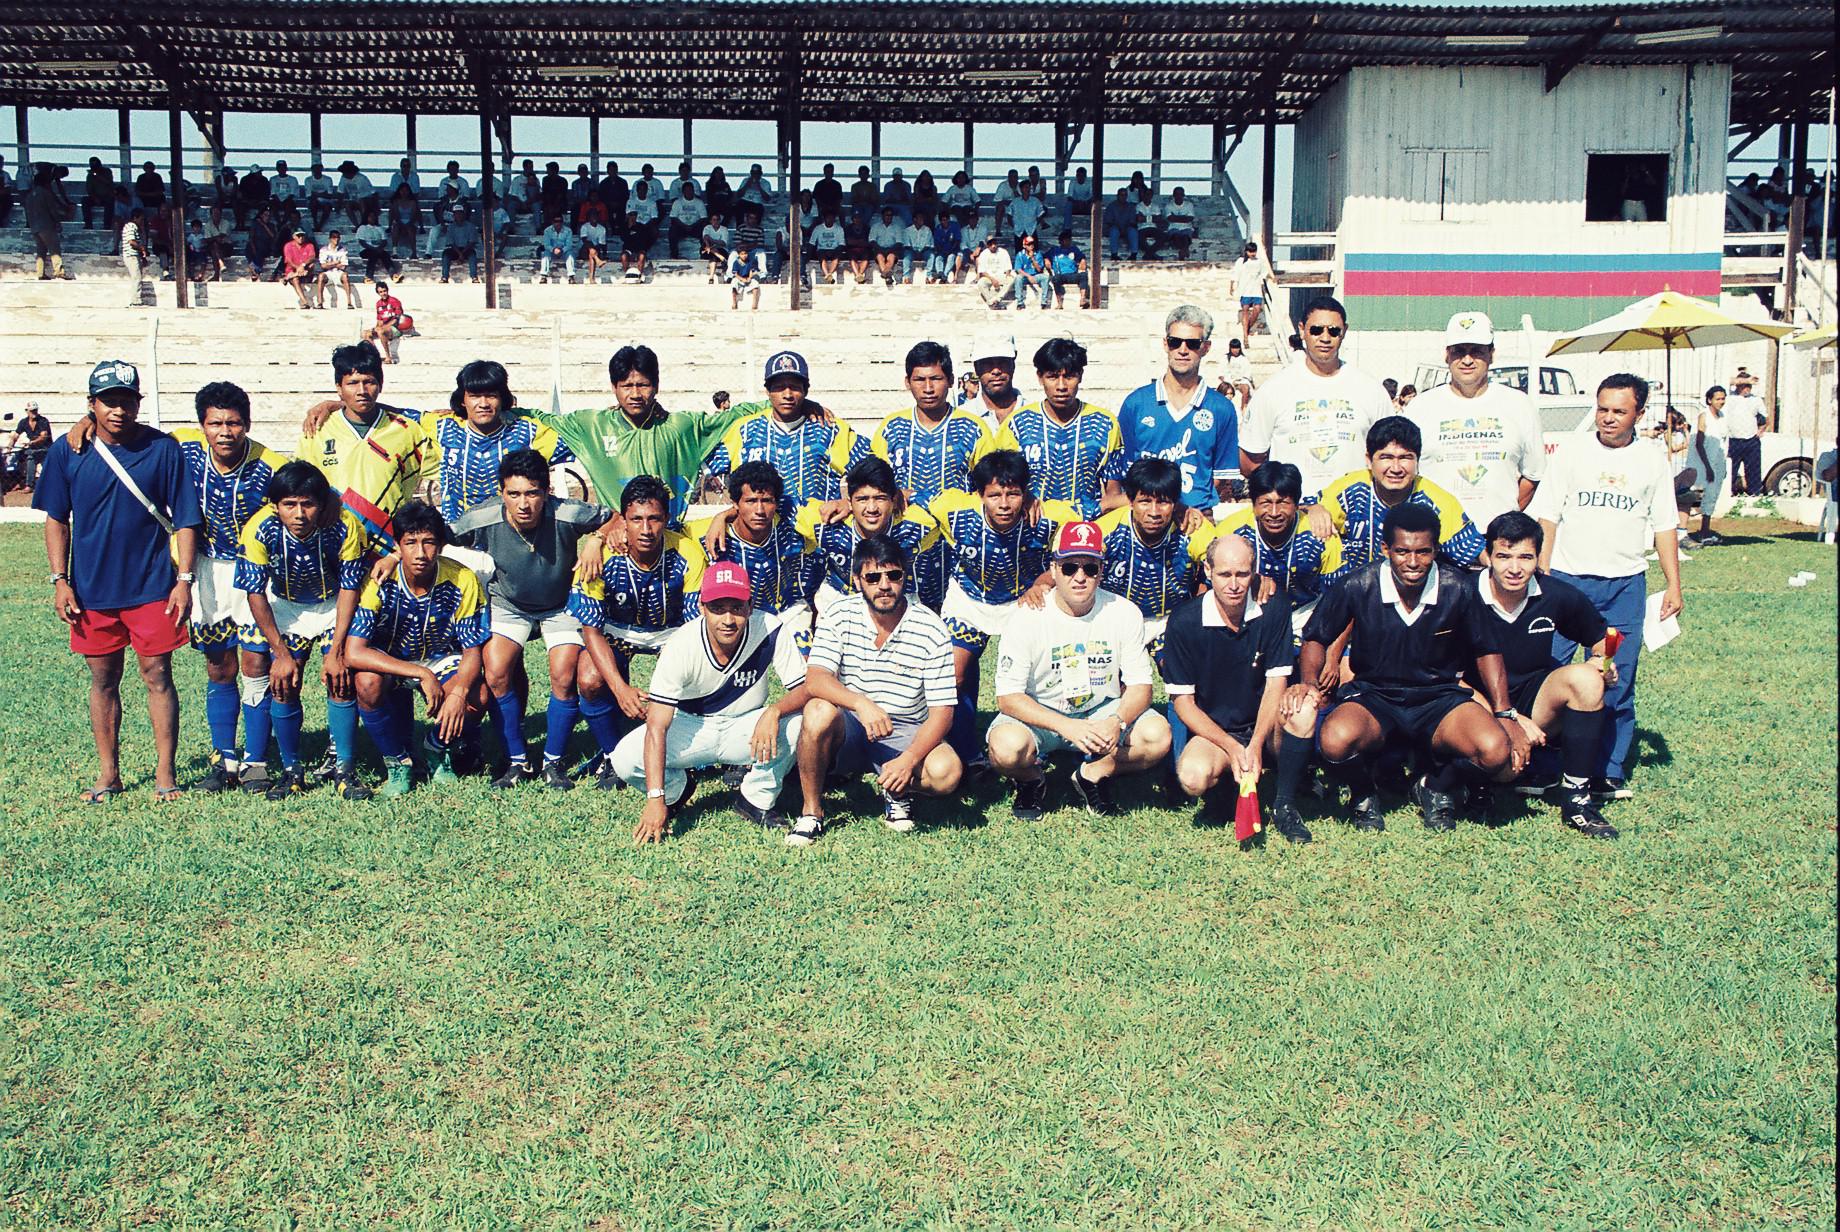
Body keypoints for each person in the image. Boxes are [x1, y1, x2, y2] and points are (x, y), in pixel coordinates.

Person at [1289, 503, 1525, 832]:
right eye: (1402, 551)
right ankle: (1363, 794)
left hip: (1438, 697)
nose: (1412, 562)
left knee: (1495, 750)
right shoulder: (1358, 584)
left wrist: (1504, 713)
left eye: (1423, 552)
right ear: (1386, 549)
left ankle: (1435, 786)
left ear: (1435, 550)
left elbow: (1487, 648)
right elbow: (1315, 637)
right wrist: (1310, 685)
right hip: (1374, 695)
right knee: (1334, 740)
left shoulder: (1457, 588)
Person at [36, 360, 204, 803]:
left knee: (157, 674)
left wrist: (183, 579)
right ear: (92, 404)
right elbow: (57, 519)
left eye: (127, 400)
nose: (118, 410)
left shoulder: (164, 449)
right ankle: (109, 773)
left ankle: (165, 773)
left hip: (152, 586)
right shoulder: (67, 450)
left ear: (138, 403)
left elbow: (186, 519)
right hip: (91, 591)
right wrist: (60, 579)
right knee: (103, 678)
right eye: (108, 401)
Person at [1530, 373, 1682, 799]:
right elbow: (1548, 516)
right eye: (1602, 409)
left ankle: (1607, 768)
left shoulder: (1652, 458)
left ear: (1639, 413)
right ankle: (1542, 762)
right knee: (1551, 674)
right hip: (1568, 585)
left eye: (1619, 411)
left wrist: (1674, 584)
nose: (1609, 418)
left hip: (1621, 590)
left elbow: (1665, 524)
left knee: (1613, 675)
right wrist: (1544, 576)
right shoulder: (1571, 453)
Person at [447, 449, 610, 789]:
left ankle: (553, 762)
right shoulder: (483, 518)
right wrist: (391, 558)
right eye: (514, 494)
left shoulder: (567, 512)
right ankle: (517, 761)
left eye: (532, 493)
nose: (523, 504)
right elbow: (435, 537)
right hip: (509, 603)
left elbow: (617, 517)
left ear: (547, 491)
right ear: (501, 492)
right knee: (495, 672)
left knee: (563, 676)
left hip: (560, 604)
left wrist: (596, 540)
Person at [986, 520, 1171, 818]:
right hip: (1043, 711)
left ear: (1101, 571)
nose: (1080, 577)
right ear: (1054, 569)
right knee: (1006, 749)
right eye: (1070, 567)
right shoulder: (1025, 617)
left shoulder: (1123, 612)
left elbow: (1141, 686)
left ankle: (1093, 773)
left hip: (1101, 710)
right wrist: (1066, 726)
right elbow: (1008, 697)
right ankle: (1031, 779)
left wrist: (1117, 721)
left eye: (1091, 567)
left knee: (1158, 736)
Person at [615, 562, 810, 839]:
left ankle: (755, 799)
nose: (728, 619)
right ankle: (675, 792)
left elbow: (806, 687)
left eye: (737, 607)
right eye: (718, 608)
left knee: (803, 722)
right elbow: (657, 726)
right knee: (624, 758)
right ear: (701, 607)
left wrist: (775, 711)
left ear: (750, 605)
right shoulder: (681, 644)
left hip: (745, 726)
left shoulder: (769, 627)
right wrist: (655, 798)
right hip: (691, 727)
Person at [790, 535, 962, 845]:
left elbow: (942, 714)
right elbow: (815, 679)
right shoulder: (839, 614)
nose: (884, 585)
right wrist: (860, 703)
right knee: (817, 710)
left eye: (893, 575)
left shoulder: (931, 628)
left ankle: (897, 789)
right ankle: (811, 812)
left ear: (904, 578)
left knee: (947, 772)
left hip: (905, 728)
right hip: (853, 724)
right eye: (873, 577)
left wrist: (909, 759)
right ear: (858, 581)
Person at [166, 383, 288, 793]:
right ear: (201, 425)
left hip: (255, 572)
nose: (224, 431)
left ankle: (255, 760)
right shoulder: (183, 448)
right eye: (215, 422)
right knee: (219, 666)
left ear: (247, 425)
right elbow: (131, 439)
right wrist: (85, 422)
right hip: (205, 569)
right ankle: (225, 759)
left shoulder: (270, 465)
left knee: (256, 664)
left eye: (233, 423)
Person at [1467, 512, 1618, 837]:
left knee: (1586, 681)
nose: (1514, 568)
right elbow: (1444, 676)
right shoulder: (1462, 594)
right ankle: (1469, 782)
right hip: (1471, 705)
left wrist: (1603, 666)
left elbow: (1607, 638)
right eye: (1503, 556)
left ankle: (1577, 796)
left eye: (1526, 557)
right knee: (1504, 766)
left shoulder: (1554, 594)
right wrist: (1511, 718)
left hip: (1533, 700)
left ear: (1538, 557)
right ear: (1488, 555)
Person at [234, 461, 373, 800]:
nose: (299, 514)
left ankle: (345, 768)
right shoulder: (258, 529)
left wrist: (338, 650)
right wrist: (280, 654)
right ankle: (291, 769)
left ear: (322, 504)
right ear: (275, 505)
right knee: (282, 684)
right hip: (285, 607)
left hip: (331, 608)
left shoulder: (345, 525)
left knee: (341, 682)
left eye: (307, 504)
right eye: (289, 504)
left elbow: (349, 588)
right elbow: (255, 593)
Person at [928, 450, 1079, 761]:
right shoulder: (953, 510)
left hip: (1023, 598)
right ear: (979, 495)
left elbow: (1073, 551)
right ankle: (961, 750)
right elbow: (912, 502)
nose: (1005, 503)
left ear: (1026, 492)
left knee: (1037, 673)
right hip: (969, 598)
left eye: (1013, 493)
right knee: (954, 674)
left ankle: (1040, 743)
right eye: (995, 495)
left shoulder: (1050, 516)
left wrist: (1043, 582)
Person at [1165, 535, 1315, 842]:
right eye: (1224, 574)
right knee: (1192, 778)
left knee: (1304, 710)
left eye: (1242, 574)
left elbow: (1276, 683)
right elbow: (1183, 703)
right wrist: (1234, 748)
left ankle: (1284, 803)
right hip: (1218, 731)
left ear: (1255, 571)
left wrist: (1256, 743)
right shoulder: (1184, 620)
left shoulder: (1274, 608)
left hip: (1265, 722)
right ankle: (1225, 790)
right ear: (1207, 570)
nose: (1234, 584)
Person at [571, 475, 708, 788]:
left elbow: (693, 629)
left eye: (654, 519)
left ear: (666, 519)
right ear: (623, 521)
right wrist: (620, 689)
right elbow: (591, 630)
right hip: (617, 630)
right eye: (636, 520)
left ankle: (691, 751)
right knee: (590, 679)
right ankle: (611, 755)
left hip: (671, 632)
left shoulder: (686, 552)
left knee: (696, 675)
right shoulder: (602, 555)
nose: (646, 530)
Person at [345, 500, 489, 796]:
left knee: (479, 694)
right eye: (410, 543)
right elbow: (354, 652)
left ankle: (436, 747)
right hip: (392, 660)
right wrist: (420, 674)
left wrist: (459, 693)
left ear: (441, 545)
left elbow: (473, 651)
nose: (420, 553)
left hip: (442, 658)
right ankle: (398, 763)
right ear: (397, 545)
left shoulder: (462, 579)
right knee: (366, 682)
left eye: (429, 542)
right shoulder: (380, 580)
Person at [525, 345, 749, 524]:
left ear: (657, 386)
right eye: (626, 386)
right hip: (616, 542)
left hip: (669, 542)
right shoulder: (591, 427)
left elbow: (734, 417)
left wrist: (778, 399)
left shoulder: (682, 426)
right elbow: (537, 420)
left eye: (643, 385)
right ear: (614, 387)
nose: (635, 394)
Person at [1404, 312, 1546, 530]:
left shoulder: (1519, 405)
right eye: (1459, 351)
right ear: (1447, 355)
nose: (1467, 360)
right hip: (1437, 539)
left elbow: (1532, 475)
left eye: (1477, 351)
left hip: (1497, 541)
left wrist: (1501, 521)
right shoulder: (1420, 408)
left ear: (1491, 354)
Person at [1240, 295, 1393, 496]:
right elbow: (1250, 461)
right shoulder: (1273, 390)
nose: (1325, 338)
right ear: (1302, 330)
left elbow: (1390, 454)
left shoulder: (1371, 391)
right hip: (1295, 517)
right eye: (1316, 330)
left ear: (1344, 331)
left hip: (1355, 513)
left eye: (1334, 331)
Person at [296, 343, 438, 549]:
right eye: (352, 383)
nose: (362, 391)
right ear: (338, 387)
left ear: (380, 384)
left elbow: (441, 474)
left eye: (369, 382)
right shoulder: (318, 430)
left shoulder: (407, 430)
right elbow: (299, 484)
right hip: (333, 542)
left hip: (389, 546)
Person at [1313, 416, 1483, 583]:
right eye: (1386, 457)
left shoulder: (1437, 501)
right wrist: (1314, 509)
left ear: (1417, 460)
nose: (1395, 468)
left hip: (1415, 594)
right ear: (1369, 460)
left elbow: (1473, 552)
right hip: (1355, 594)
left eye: (1405, 458)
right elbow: (1300, 510)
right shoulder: (1348, 491)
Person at [1118, 305, 1242, 519]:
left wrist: (1188, 507)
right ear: (1166, 344)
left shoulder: (1222, 409)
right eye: (1176, 342)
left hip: (1196, 517)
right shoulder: (1136, 404)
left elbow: (1220, 476)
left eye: (1192, 344)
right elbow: (1127, 471)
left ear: (1206, 347)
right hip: (1146, 519)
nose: (1182, 350)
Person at [704, 351, 866, 510]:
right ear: (768, 391)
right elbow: (700, 460)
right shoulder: (744, 430)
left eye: (795, 387)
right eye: (779, 387)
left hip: (818, 534)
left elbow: (878, 472)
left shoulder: (831, 430)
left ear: (806, 391)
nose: (787, 394)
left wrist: (850, 504)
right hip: (759, 535)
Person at [991, 337, 1125, 520]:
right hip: (1030, 530)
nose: (1061, 386)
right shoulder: (1018, 424)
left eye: (1069, 376)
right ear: (1040, 377)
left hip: (1083, 531)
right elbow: (998, 483)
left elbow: (1113, 492)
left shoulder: (1105, 424)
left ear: (1081, 376)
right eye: (1052, 377)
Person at [796, 455, 947, 613]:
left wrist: (908, 494)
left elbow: (951, 505)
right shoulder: (827, 522)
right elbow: (781, 503)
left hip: (894, 605)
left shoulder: (915, 525)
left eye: (880, 498)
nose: (872, 508)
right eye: (862, 499)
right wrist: (844, 503)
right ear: (849, 501)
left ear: (894, 500)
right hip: (839, 602)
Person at [688, 462, 817, 630]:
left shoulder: (793, 526)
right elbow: (665, 533)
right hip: (735, 619)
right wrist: (722, 517)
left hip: (788, 613)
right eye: (750, 501)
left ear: (777, 503)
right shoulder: (706, 534)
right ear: (735, 503)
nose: (760, 510)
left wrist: (846, 504)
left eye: (767, 501)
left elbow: (833, 514)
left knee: (804, 655)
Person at [870, 341, 993, 506]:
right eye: (919, 379)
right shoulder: (892, 428)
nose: (928, 388)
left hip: (956, 528)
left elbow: (992, 486)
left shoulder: (973, 428)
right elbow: (873, 483)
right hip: (902, 528)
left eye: (936, 379)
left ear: (950, 381)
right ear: (908, 382)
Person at [1217, 461, 1330, 610]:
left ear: (1296, 504)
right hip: (1248, 612)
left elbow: (1337, 599)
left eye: (1283, 503)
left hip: (1305, 614)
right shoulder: (1230, 532)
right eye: (1266, 503)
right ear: (1253, 503)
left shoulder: (1319, 533)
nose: (1274, 512)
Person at [963, 331, 1022, 436]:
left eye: (1002, 362)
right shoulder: (963, 418)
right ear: (976, 368)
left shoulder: (1035, 415)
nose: (996, 371)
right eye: (987, 364)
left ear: (1013, 365)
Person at [1692, 385, 1730, 543]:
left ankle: (1705, 531)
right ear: (1709, 400)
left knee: (1712, 495)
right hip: (1704, 462)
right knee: (1694, 496)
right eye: (1718, 399)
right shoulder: (1704, 416)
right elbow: (1699, 444)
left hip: (1718, 461)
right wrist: (1707, 466)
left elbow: (1723, 441)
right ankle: (1681, 531)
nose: (1721, 401)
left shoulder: (1722, 416)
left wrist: (1722, 465)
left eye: (1723, 398)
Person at [1723, 373, 1765, 496]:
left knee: (1753, 470)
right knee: (1730, 469)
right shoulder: (1729, 398)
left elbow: (1765, 418)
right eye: (1744, 385)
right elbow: (1726, 380)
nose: (1747, 388)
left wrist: (1761, 429)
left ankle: (1754, 495)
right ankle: (1727, 493)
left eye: (1749, 386)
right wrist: (1745, 379)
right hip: (1733, 440)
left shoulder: (1756, 399)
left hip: (1751, 440)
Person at [25, 168, 70, 281]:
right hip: (46, 225)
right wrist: (57, 222)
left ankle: (40, 273)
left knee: (41, 250)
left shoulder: (29, 195)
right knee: (54, 249)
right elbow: (52, 210)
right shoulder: (46, 193)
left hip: (34, 226)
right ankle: (58, 272)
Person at [7, 401, 51, 491]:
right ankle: (20, 482)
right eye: (31, 411)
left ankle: (29, 485)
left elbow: (43, 437)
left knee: (31, 457)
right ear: (27, 411)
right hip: (33, 448)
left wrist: (31, 442)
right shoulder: (23, 422)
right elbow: (15, 435)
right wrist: (9, 447)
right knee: (18, 457)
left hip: (45, 448)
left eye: (35, 410)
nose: (34, 412)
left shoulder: (43, 421)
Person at [621, 182, 661, 279]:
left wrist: (643, 227)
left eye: (644, 189)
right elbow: (627, 217)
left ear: (647, 191)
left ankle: (639, 275)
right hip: (632, 227)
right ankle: (627, 274)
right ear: (637, 190)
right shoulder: (631, 201)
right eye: (640, 189)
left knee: (642, 254)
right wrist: (632, 224)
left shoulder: (652, 203)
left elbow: (654, 218)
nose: (642, 191)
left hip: (646, 227)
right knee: (624, 255)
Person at [363, 280, 406, 364]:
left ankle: (388, 356)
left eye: (384, 291)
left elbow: (397, 318)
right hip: (384, 329)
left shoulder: (394, 301)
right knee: (366, 333)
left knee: (380, 331)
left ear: (387, 290)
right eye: (381, 292)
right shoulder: (378, 304)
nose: (383, 293)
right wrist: (376, 328)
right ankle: (375, 356)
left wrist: (383, 328)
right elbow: (379, 320)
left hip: (395, 329)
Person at [1043, 229, 1089, 309]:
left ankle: (1083, 299)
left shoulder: (1074, 249)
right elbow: (1045, 256)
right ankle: (1059, 303)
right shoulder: (1055, 250)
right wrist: (1046, 260)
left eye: (1069, 239)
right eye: (1066, 240)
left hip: (1073, 274)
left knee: (1083, 275)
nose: (1068, 241)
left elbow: (1082, 257)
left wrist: (1082, 260)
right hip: (1060, 275)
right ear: (1061, 241)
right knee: (1055, 279)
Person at [971, 233, 1015, 308]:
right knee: (981, 283)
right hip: (989, 276)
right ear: (987, 245)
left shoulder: (1003, 252)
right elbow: (982, 271)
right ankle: (991, 302)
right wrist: (992, 279)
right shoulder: (984, 254)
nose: (993, 246)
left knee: (1011, 279)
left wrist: (1007, 275)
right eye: (991, 244)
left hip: (1001, 275)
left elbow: (1008, 267)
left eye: (994, 243)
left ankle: (998, 299)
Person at [1232, 242, 1265, 340]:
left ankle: (1248, 327)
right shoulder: (1241, 261)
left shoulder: (1259, 261)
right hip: (1245, 289)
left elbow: (1264, 273)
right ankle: (1245, 334)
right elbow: (1236, 274)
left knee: (1257, 309)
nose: (1252, 253)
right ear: (1246, 251)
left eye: (1254, 251)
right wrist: (1232, 285)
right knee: (1245, 310)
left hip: (1256, 289)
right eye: (1250, 251)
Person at [667, 182, 708, 258]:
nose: (689, 192)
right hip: (681, 227)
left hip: (695, 227)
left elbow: (703, 218)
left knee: (705, 231)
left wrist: (692, 226)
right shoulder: (677, 202)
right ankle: (674, 255)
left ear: (693, 191)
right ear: (683, 191)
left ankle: (704, 254)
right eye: (686, 190)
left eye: (690, 190)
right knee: (672, 231)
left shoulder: (699, 202)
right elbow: (673, 217)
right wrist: (684, 226)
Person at [441, 207, 481, 283]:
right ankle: (444, 277)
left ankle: (474, 277)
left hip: (466, 248)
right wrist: (460, 254)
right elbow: (451, 243)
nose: (458, 215)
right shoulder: (451, 227)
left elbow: (472, 242)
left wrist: (462, 253)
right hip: (455, 249)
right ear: (454, 216)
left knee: (472, 254)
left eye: (460, 213)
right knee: (445, 254)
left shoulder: (471, 226)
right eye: (456, 213)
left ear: (464, 214)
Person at [1011, 233, 1051, 309]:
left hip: (1035, 275)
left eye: (1032, 244)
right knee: (1018, 278)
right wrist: (1028, 276)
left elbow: (1039, 269)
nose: (1031, 246)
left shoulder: (1038, 254)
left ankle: (1044, 302)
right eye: (1029, 244)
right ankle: (1020, 302)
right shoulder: (1020, 255)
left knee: (1045, 277)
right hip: (1025, 276)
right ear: (1025, 245)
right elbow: (1018, 269)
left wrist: (1032, 258)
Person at [538, 214, 576, 283]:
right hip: (552, 251)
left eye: (560, 221)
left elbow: (569, 245)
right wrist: (553, 249)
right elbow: (546, 245)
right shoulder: (547, 230)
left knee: (570, 254)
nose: (558, 223)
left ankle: (571, 277)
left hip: (564, 251)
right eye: (556, 221)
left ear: (562, 222)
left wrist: (562, 250)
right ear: (552, 222)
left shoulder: (568, 231)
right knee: (545, 254)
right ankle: (543, 276)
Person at [1103, 189, 1139, 260]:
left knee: (1133, 231)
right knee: (1114, 231)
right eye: (1121, 195)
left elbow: (1132, 220)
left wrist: (1125, 226)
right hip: (1114, 227)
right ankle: (1114, 254)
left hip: (1127, 228)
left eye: (1125, 195)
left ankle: (1134, 254)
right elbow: (1109, 221)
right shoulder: (1111, 206)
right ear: (1117, 196)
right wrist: (1118, 226)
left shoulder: (1130, 206)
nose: (1123, 197)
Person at [1162, 187, 1198, 259]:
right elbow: (1170, 218)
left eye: (1181, 194)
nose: (1179, 196)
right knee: (1176, 236)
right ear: (1173, 195)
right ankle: (1185, 250)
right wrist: (1184, 217)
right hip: (1173, 227)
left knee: (1185, 236)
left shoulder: (1189, 205)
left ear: (1183, 195)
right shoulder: (1168, 206)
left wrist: (1175, 217)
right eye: (1177, 194)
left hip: (1187, 227)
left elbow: (1190, 218)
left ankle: (1182, 251)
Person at [902, 210, 934, 284]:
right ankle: (906, 277)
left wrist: (920, 252)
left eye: (922, 218)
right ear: (914, 219)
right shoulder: (908, 230)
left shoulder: (927, 230)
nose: (922, 220)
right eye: (920, 218)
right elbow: (907, 245)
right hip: (911, 251)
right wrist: (916, 252)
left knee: (931, 256)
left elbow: (928, 245)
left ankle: (928, 276)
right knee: (906, 257)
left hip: (924, 251)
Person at [698, 210, 729, 284]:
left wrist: (711, 241)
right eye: (714, 220)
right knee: (709, 251)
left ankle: (711, 278)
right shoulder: (707, 228)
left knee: (712, 255)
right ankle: (721, 259)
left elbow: (723, 243)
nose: (716, 221)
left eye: (717, 219)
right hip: (708, 250)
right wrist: (709, 244)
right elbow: (705, 237)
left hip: (721, 250)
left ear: (720, 220)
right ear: (710, 221)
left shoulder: (724, 229)